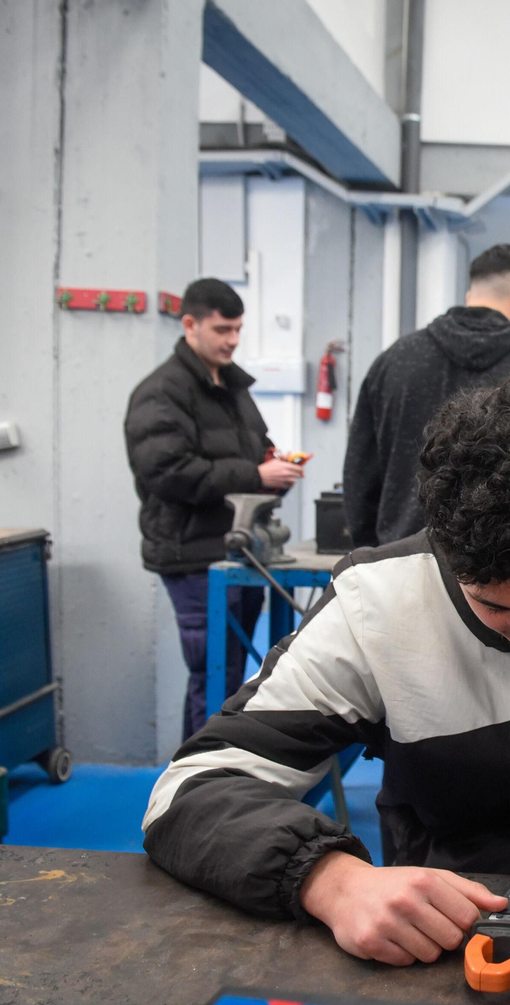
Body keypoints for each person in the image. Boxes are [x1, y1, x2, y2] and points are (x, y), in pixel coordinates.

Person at [142, 379, 510, 965]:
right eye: (495, 607)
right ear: (444, 551)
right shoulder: (376, 603)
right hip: (444, 944)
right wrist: (330, 880)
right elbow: (190, 789)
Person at [125, 278, 302, 740]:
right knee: (213, 675)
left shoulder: (231, 388)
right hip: (194, 557)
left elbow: (250, 450)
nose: (233, 340)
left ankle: (216, 776)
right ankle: (196, 790)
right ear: (190, 324)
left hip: (239, 551)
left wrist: (274, 464)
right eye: (223, 329)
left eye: (238, 329)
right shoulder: (161, 393)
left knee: (232, 675)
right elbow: (167, 472)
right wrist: (255, 476)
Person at [343, 243, 510, 548]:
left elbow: (360, 478)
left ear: (471, 296)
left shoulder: (394, 362)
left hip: (402, 560)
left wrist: (374, 556)